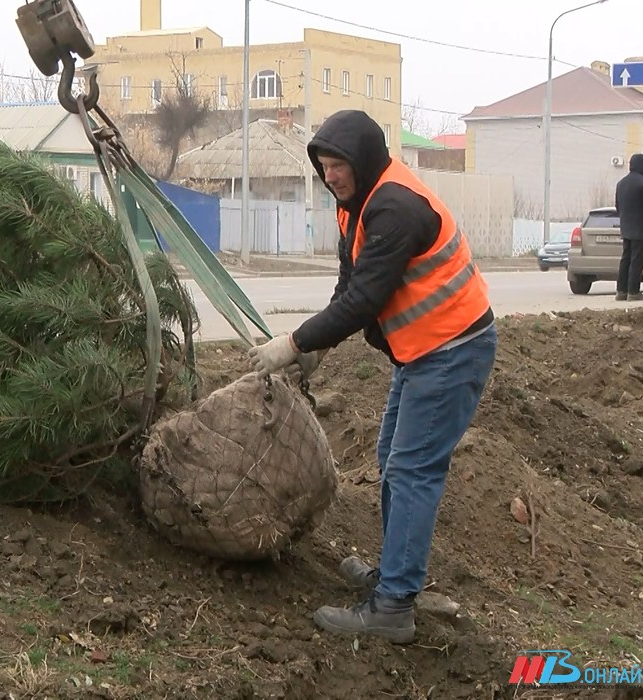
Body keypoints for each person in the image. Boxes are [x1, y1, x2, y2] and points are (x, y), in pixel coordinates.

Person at [247, 110, 497, 644]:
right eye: (324, 165)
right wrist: (316, 348)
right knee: (394, 459)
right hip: (423, 350)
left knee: (411, 469)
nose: (330, 175)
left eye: (338, 164)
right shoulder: (354, 207)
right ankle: (397, 574)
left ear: (362, 160)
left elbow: (366, 299)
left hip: (453, 349)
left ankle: (394, 606)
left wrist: (291, 345)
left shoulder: (394, 208)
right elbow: (349, 286)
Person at [614, 153, 643, 302]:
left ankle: (621, 291)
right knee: (637, 259)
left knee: (626, 258)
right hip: (641, 228)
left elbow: (618, 206)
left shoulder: (621, 183)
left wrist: (625, 219)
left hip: (626, 227)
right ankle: (633, 292)